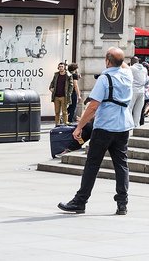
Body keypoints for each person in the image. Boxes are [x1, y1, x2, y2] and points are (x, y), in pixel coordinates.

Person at [57, 47, 134, 215]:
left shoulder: (105, 78)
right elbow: (124, 65)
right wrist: (119, 60)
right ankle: (122, 203)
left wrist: (79, 127)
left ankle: (80, 201)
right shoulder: (128, 75)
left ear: (107, 61)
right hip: (123, 127)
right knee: (121, 164)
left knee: (92, 164)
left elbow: (92, 107)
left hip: (105, 126)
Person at [127, 57, 148, 127]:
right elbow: (146, 81)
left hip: (133, 91)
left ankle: (129, 125)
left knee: (129, 108)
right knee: (138, 111)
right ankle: (136, 125)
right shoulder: (145, 69)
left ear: (132, 62)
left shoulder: (131, 68)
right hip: (142, 92)